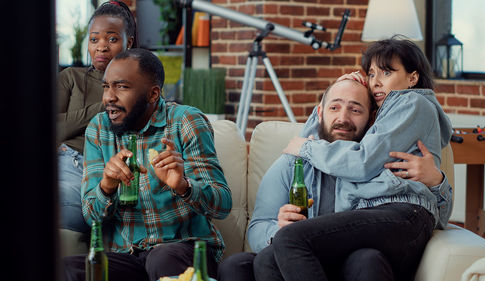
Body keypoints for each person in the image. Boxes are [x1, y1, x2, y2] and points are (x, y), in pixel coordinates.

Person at [254, 37, 453, 281]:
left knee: (292, 238)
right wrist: (337, 89)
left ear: (412, 78)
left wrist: (305, 147)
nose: (376, 82)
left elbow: (361, 163)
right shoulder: (381, 126)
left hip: (400, 213)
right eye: (371, 74)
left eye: (387, 73)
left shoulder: (412, 103)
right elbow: (315, 135)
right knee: (270, 255)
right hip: (387, 219)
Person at [63, 48, 232, 281]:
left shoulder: (185, 121)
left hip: (181, 250)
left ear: (153, 94)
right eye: (106, 87)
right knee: (66, 270)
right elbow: (91, 217)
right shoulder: (99, 128)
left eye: (121, 87)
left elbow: (222, 204)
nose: (108, 97)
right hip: (126, 255)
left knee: (162, 258)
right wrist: (106, 187)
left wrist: (184, 186)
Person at [57, 0, 138, 233]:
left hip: (110, 170)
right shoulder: (71, 77)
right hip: (68, 164)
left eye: (112, 39)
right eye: (94, 39)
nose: (101, 47)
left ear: (128, 42)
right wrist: (105, 105)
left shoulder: (140, 86)